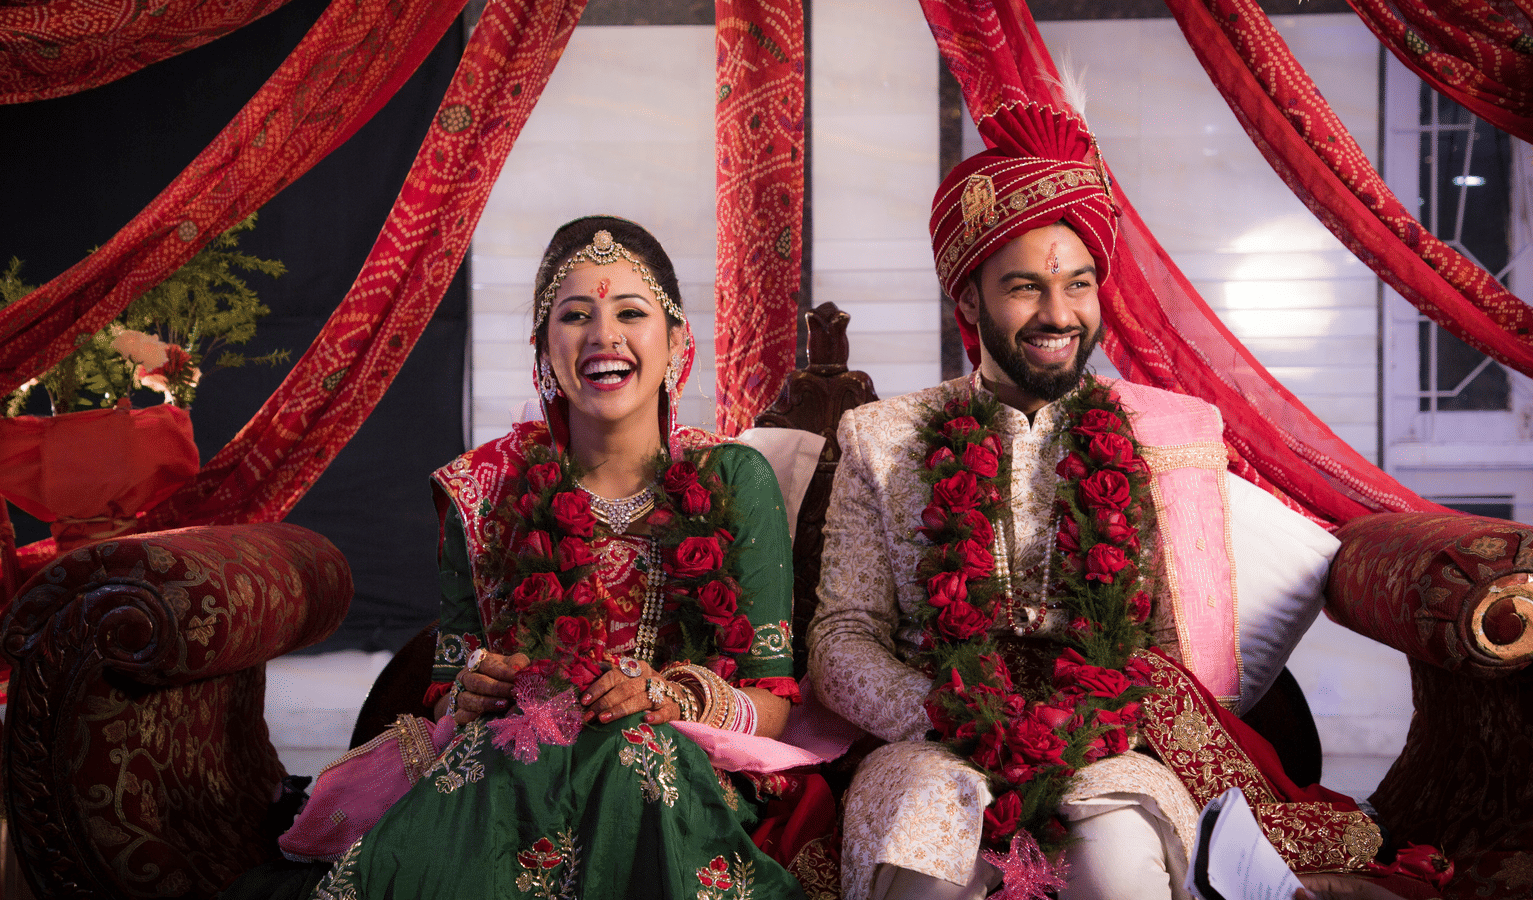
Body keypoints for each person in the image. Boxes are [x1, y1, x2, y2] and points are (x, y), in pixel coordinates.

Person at [806, 103, 1419, 900]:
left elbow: (1178, 649)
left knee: (1118, 849)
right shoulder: (881, 437)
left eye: (1079, 285)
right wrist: (948, 716)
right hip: (931, 739)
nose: (1058, 315)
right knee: (928, 828)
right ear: (970, 301)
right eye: (1025, 288)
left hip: (1107, 745)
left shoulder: (1162, 438)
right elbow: (843, 637)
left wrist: (1087, 724)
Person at [262, 216, 808, 899]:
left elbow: (775, 703)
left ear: (676, 341)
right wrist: (472, 691)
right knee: (517, 747)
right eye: (575, 316)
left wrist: (669, 695)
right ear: (543, 350)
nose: (604, 336)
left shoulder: (733, 479)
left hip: (683, 774)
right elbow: (446, 690)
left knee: (626, 751)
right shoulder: (484, 489)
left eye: (631, 313)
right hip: (517, 769)